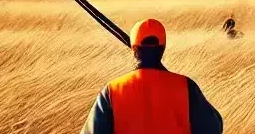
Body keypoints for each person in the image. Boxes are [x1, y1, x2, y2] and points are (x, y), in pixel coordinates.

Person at [81, 19, 223, 134]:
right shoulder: (185, 86)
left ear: (134, 49)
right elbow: (213, 128)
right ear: (163, 48)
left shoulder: (112, 91)